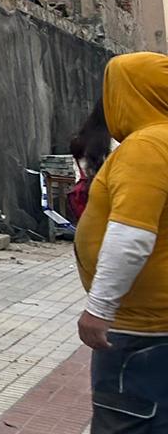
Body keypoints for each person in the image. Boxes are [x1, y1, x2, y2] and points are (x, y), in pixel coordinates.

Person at [75, 51, 168, 431]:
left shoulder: (147, 145)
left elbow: (132, 234)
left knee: (129, 422)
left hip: (140, 333)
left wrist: (99, 308)